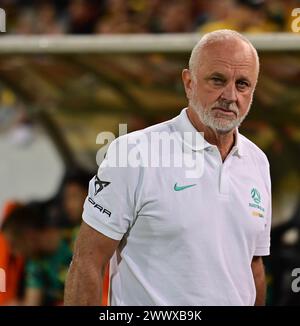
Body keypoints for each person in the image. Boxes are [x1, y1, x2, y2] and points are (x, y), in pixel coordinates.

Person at [64, 29, 272, 306]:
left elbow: (252, 267)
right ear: (189, 82)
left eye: (243, 84)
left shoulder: (257, 162)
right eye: (217, 80)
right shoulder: (134, 154)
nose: (230, 95)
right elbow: (88, 262)